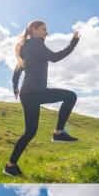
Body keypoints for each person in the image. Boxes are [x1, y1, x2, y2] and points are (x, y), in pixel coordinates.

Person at [5, 20, 81, 177]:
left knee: (30, 132)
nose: (46, 32)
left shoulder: (26, 47)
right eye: (43, 29)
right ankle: (58, 132)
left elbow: (18, 69)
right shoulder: (36, 43)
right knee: (70, 96)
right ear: (33, 29)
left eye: (47, 29)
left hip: (28, 94)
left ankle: (10, 165)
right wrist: (73, 43)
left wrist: (15, 87)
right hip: (35, 92)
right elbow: (54, 57)